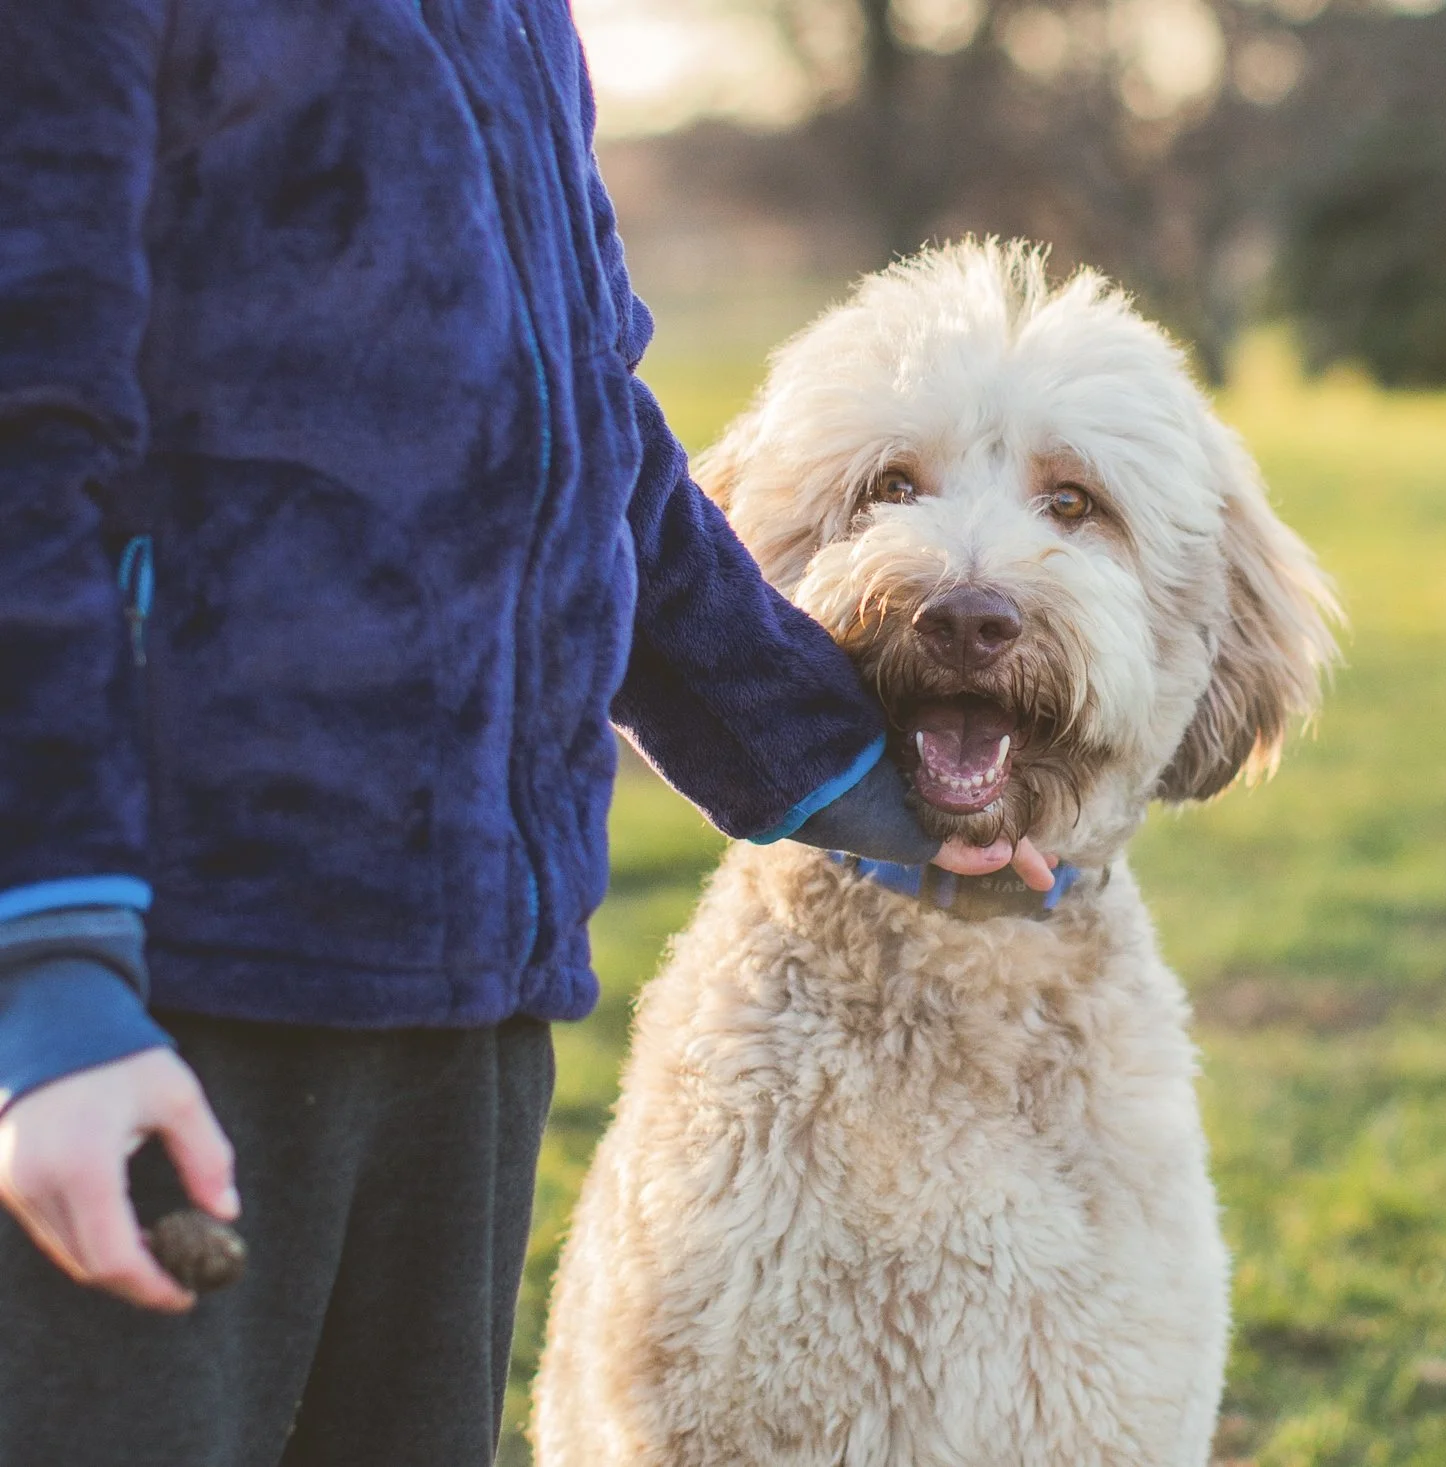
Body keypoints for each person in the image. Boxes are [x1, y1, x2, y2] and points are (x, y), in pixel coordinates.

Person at [0, 2, 1052, 1462]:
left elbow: (593, 450)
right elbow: (20, 439)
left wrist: (842, 766)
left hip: (475, 983)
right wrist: (46, 967)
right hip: (168, 979)